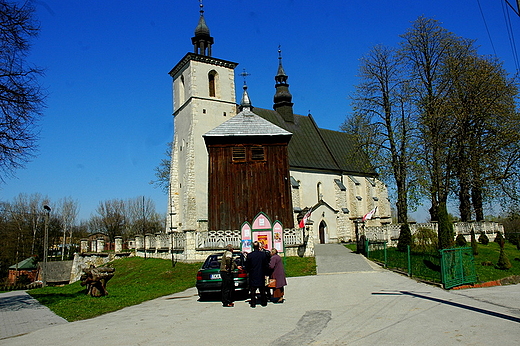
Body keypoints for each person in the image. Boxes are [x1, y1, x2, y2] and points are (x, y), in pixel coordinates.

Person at [245, 241, 268, 308]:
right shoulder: (263, 254)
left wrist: (249, 271)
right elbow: (266, 265)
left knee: (253, 290)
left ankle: (253, 303)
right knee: (262, 290)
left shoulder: (250, 255)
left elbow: (247, 265)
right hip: (261, 274)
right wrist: (266, 273)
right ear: (258, 247)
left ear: (253, 247)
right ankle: (264, 302)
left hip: (253, 274)